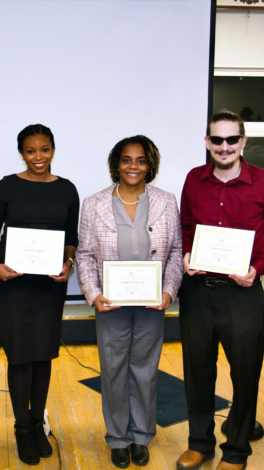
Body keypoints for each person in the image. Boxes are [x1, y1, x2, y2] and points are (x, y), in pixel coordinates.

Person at [176, 109, 264, 470]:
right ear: (207, 142)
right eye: (217, 140)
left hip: (243, 293)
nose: (224, 147)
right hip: (199, 292)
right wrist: (188, 253)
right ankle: (200, 443)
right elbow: (187, 226)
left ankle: (237, 450)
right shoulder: (194, 179)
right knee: (197, 371)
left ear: (243, 141)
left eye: (231, 139)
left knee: (245, 373)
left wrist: (257, 268)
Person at [77, 135, 183, 468]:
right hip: (112, 304)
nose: (133, 166)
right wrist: (93, 294)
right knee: (113, 371)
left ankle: (141, 436)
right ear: (116, 164)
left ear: (149, 164)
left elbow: (177, 252)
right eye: (126, 159)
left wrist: (168, 290)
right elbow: (84, 254)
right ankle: (118, 438)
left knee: (145, 371)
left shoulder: (167, 201)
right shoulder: (93, 204)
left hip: (152, 305)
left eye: (140, 160)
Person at [0, 124, 79, 466]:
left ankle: (38, 425)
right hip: (13, 285)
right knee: (21, 355)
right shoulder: (6, 187)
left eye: (45, 149)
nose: (39, 157)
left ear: (53, 150)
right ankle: (22, 429)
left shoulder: (67, 190)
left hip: (49, 285)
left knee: (43, 354)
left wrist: (69, 262)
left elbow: (71, 237)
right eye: (31, 151)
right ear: (22, 153)